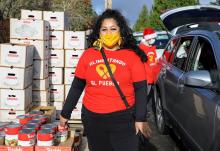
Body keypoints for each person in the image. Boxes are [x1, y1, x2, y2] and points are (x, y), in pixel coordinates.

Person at [59, 9, 152, 151]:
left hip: (124, 120)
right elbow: (77, 86)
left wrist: (140, 118)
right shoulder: (88, 55)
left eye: (113, 29)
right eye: (104, 29)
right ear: (98, 32)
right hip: (93, 119)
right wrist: (65, 113)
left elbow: (141, 89)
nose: (109, 34)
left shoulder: (131, 56)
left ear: (121, 31)